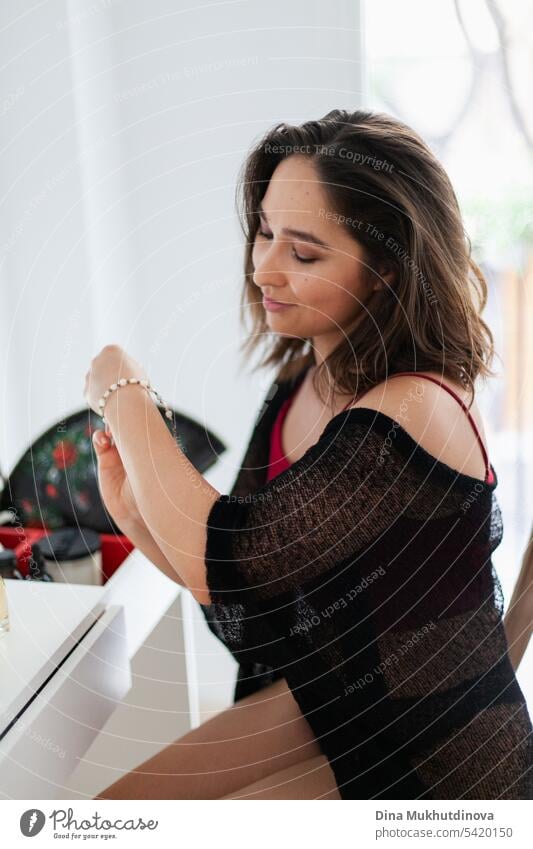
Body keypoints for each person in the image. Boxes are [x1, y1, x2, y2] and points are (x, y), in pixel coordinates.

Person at [85, 109, 532, 799]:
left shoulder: (415, 409)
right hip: (338, 704)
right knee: (109, 815)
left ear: (385, 269)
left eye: (302, 252)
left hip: (432, 769)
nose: (263, 266)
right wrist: (136, 516)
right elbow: (249, 600)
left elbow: (224, 554)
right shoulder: (301, 380)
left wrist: (121, 384)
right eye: (263, 232)